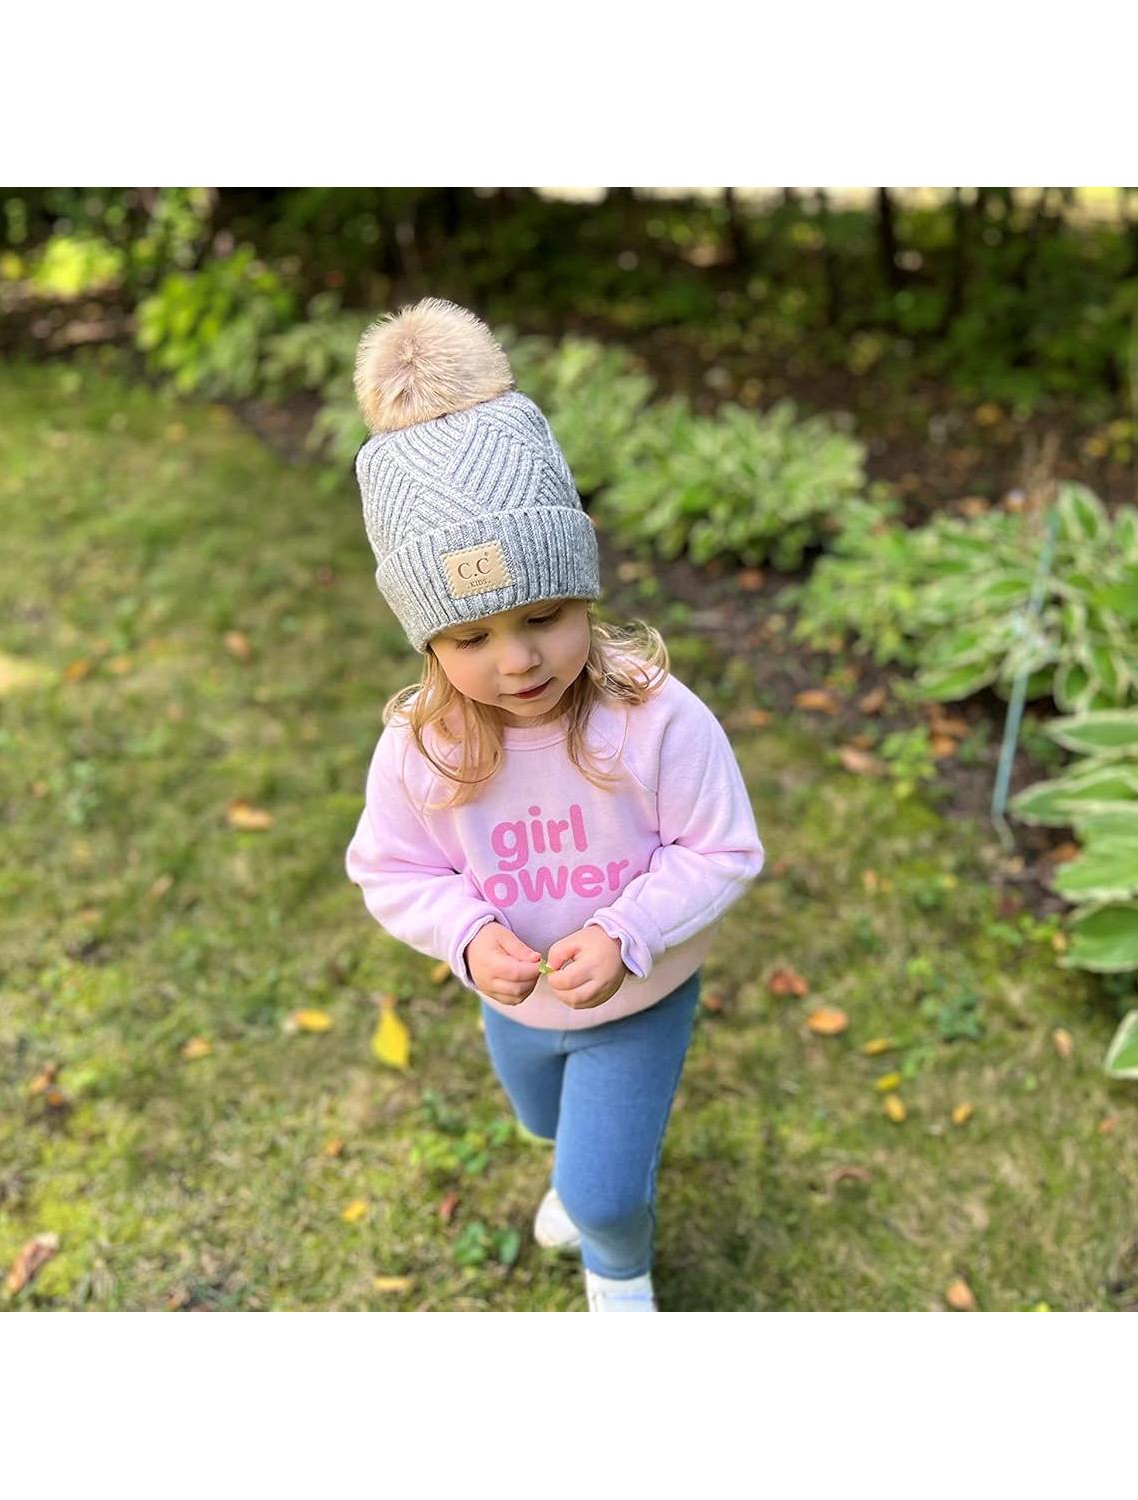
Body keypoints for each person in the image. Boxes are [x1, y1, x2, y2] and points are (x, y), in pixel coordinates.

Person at [343, 299, 765, 1312]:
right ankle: (572, 1168)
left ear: (584, 593)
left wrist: (627, 931)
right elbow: (390, 867)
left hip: (638, 997)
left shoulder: (655, 720)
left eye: (544, 617)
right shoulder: (423, 748)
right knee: (544, 1121)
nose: (518, 659)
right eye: (472, 638)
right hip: (513, 1000)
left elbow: (720, 849)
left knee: (604, 1191)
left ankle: (620, 1285)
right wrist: (465, 931)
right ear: (429, 645)